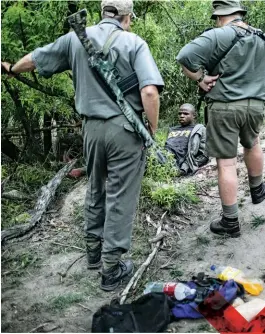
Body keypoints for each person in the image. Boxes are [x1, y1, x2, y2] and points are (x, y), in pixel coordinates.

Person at [2, 0, 165, 291]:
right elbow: (150, 91)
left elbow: (36, 59)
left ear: (103, 13)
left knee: (95, 187)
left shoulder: (76, 39)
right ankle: (112, 267)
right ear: (127, 17)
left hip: (90, 129)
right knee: (120, 194)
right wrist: (151, 129)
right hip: (125, 129)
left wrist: (12, 68)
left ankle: (92, 252)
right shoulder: (134, 42)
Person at [175, 0, 265, 237]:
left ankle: (231, 222)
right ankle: (258, 190)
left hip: (224, 107)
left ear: (219, 16)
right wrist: (259, 97)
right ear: (239, 13)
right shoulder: (263, 38)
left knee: (226, 162)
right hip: (255, 106)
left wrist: (201, 79)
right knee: (253, 143)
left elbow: (184, 56)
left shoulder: (217, 35)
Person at [165, 103, 209, 175]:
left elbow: (204, 155)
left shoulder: (199, 129)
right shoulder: (172, 129)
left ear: (194, 115)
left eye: (185, 114)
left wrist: (185, 167)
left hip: (182, 161)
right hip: (166, 158)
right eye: (180, 114)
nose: (182, 116)